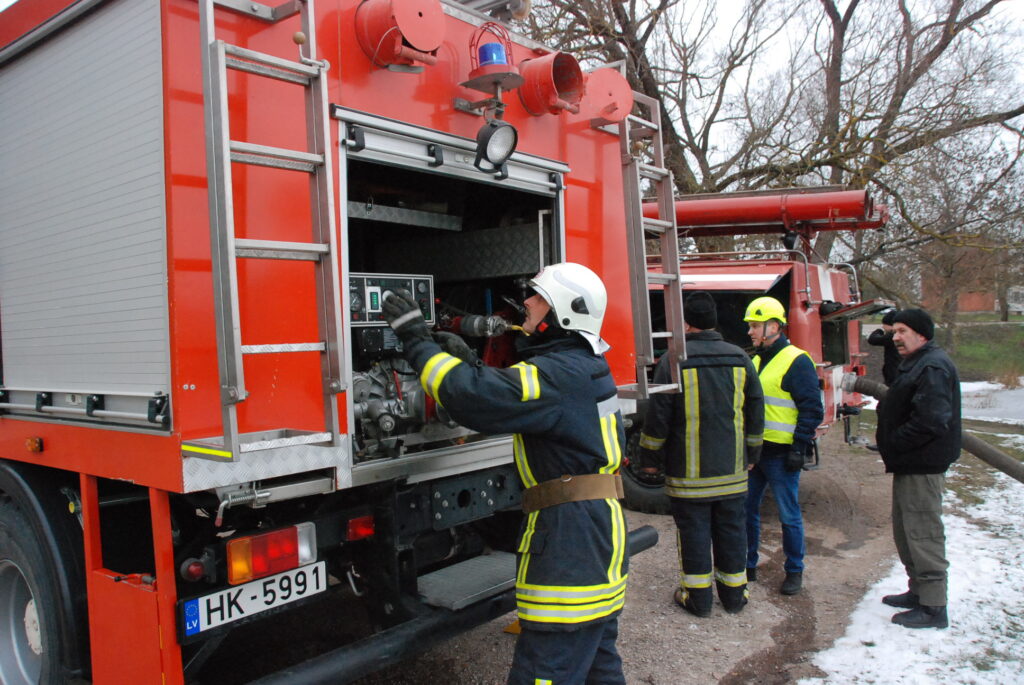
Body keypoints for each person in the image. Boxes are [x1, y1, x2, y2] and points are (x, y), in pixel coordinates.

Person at [383, 262, 629, 684]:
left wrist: (415, 339)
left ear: (563, 313)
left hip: (571, 544)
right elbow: (520, 392)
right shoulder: (583, 366)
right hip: (596, 537)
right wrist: (469, 362)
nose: (526, 303)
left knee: (545, 669)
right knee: (596, 664)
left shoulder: (557, 375)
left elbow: (469, 396)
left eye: (538, 297)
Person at [636, 291, 764, 617]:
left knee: (694, 534)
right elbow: (755, 409)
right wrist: (753, 453)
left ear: (686, 323)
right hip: (733, 474)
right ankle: (734, 597)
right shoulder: (740, 358)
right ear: (714, 322)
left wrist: (649, 461)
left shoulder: (673, 361)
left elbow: (658, 417)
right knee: (732, 531)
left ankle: (698, 599)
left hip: (689, 479)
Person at [875, 308, 960, 629]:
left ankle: (934, 607)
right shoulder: (917, 362)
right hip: (910, 463)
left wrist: (894, 441)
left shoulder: (933, 366)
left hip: (922, 465)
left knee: (923, 532)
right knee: (906, 531)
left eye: (902, 331)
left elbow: (931, 421)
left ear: (922, 334)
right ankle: (919, 591)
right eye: (894, 331)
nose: (895, 337)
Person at [743, 296, 824, 596]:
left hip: (782, 453)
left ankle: (794, 570)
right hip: (756, 451)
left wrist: (799, 447)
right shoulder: (755, 360)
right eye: (751, 326)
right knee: (746, 510)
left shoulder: (797, 360)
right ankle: (747, 565)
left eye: (755, 325)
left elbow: (812, 409)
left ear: (774, 326)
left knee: (789, 515)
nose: (750, 331)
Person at [867, 309, 901, 385]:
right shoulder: (901, 335)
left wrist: (879, 331)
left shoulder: (892, 336)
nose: (883, 326)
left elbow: (872, 340)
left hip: (893, 374)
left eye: (884, 324)